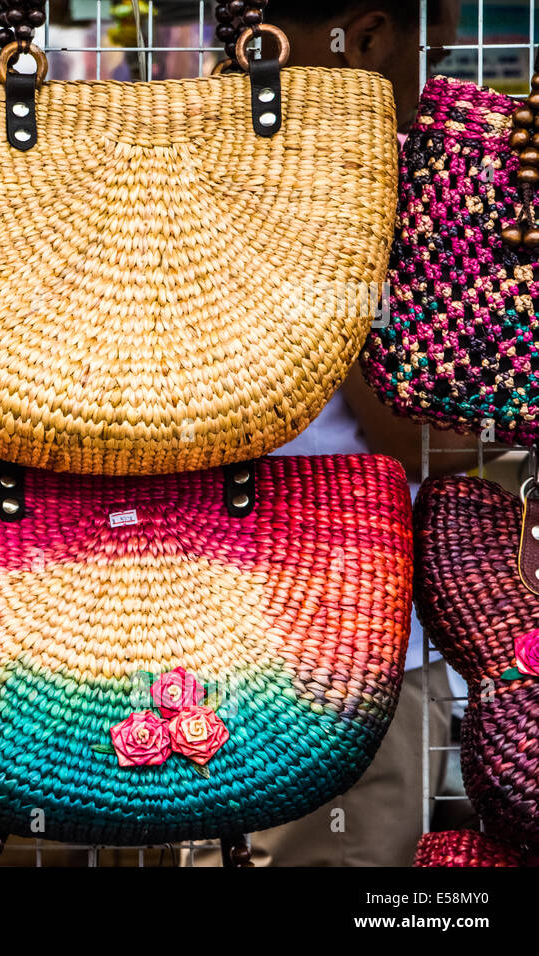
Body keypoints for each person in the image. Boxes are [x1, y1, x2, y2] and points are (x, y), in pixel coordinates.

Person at [215, 0, 475, 866]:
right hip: (348, 641)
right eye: (419, 55)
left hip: (192, 621)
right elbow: (418, 439)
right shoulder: (344, 195)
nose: (423, 91)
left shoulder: (179, 166)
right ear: (367, 38)